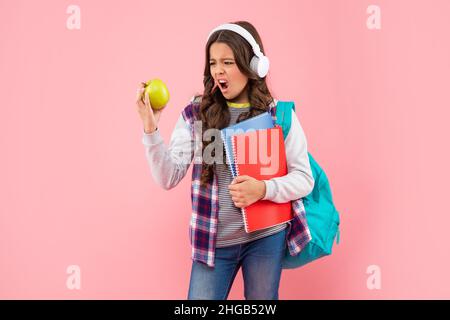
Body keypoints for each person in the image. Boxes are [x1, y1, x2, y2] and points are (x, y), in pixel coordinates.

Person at [136, 21, 314, 300]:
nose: (218, 70)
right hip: (214, 241)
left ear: (253, 66)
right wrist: (150, 128)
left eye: (228, 62)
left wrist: (262, 189)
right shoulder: (196, 114)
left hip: (267, 237)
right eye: (213, 63)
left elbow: (304, 179)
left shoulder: (280, 115)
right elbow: (167, 177)